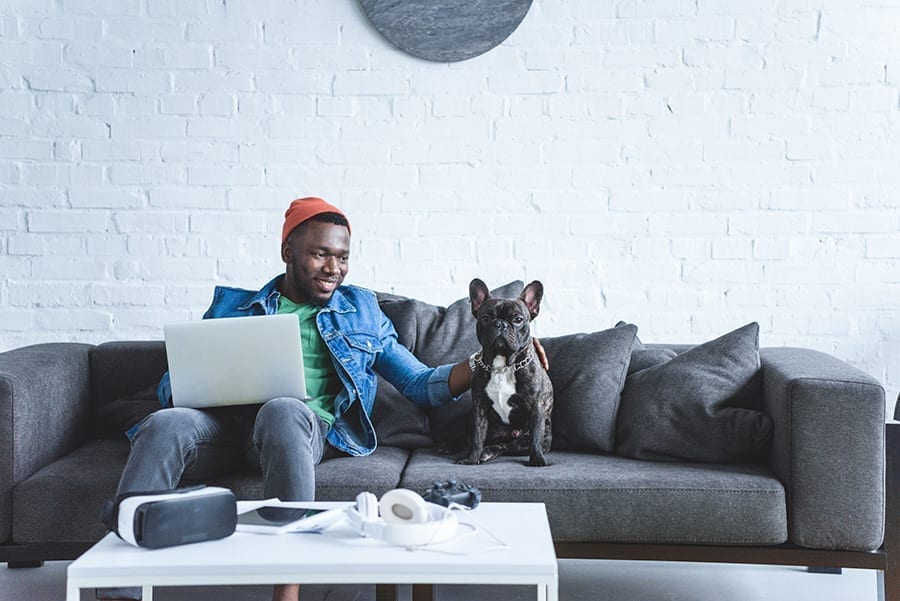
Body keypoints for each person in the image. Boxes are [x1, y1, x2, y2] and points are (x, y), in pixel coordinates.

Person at [102, 197, 546, 601]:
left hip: (303, 429)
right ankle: (118, 590)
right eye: (320, 254)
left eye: (342, 256)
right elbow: (172, 386)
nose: (334, 267)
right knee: (164, 422)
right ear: (288, 253)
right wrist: (183, 381)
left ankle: (287, 591)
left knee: (283, 408)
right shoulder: (234, 309)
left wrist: (494, 355)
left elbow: (420, 384)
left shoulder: (361, 311)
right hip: (226, 430)